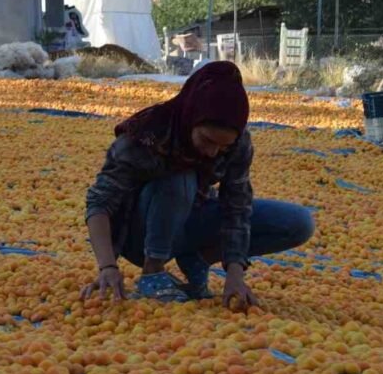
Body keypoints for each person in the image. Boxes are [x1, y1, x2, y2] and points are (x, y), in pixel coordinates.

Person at [80, 61, 315, 309]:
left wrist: (234, 273)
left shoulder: (238, 143)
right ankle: (153, 272)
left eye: (222, 147)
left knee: (298, 223)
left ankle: (197, 259)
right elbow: (99, 202)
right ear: (191, 116)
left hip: (190, 218)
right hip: (138, 232)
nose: (213, 152)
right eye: (207, 140)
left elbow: (237, 205)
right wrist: (107, 266)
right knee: (180, 175)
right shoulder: (147, 135)